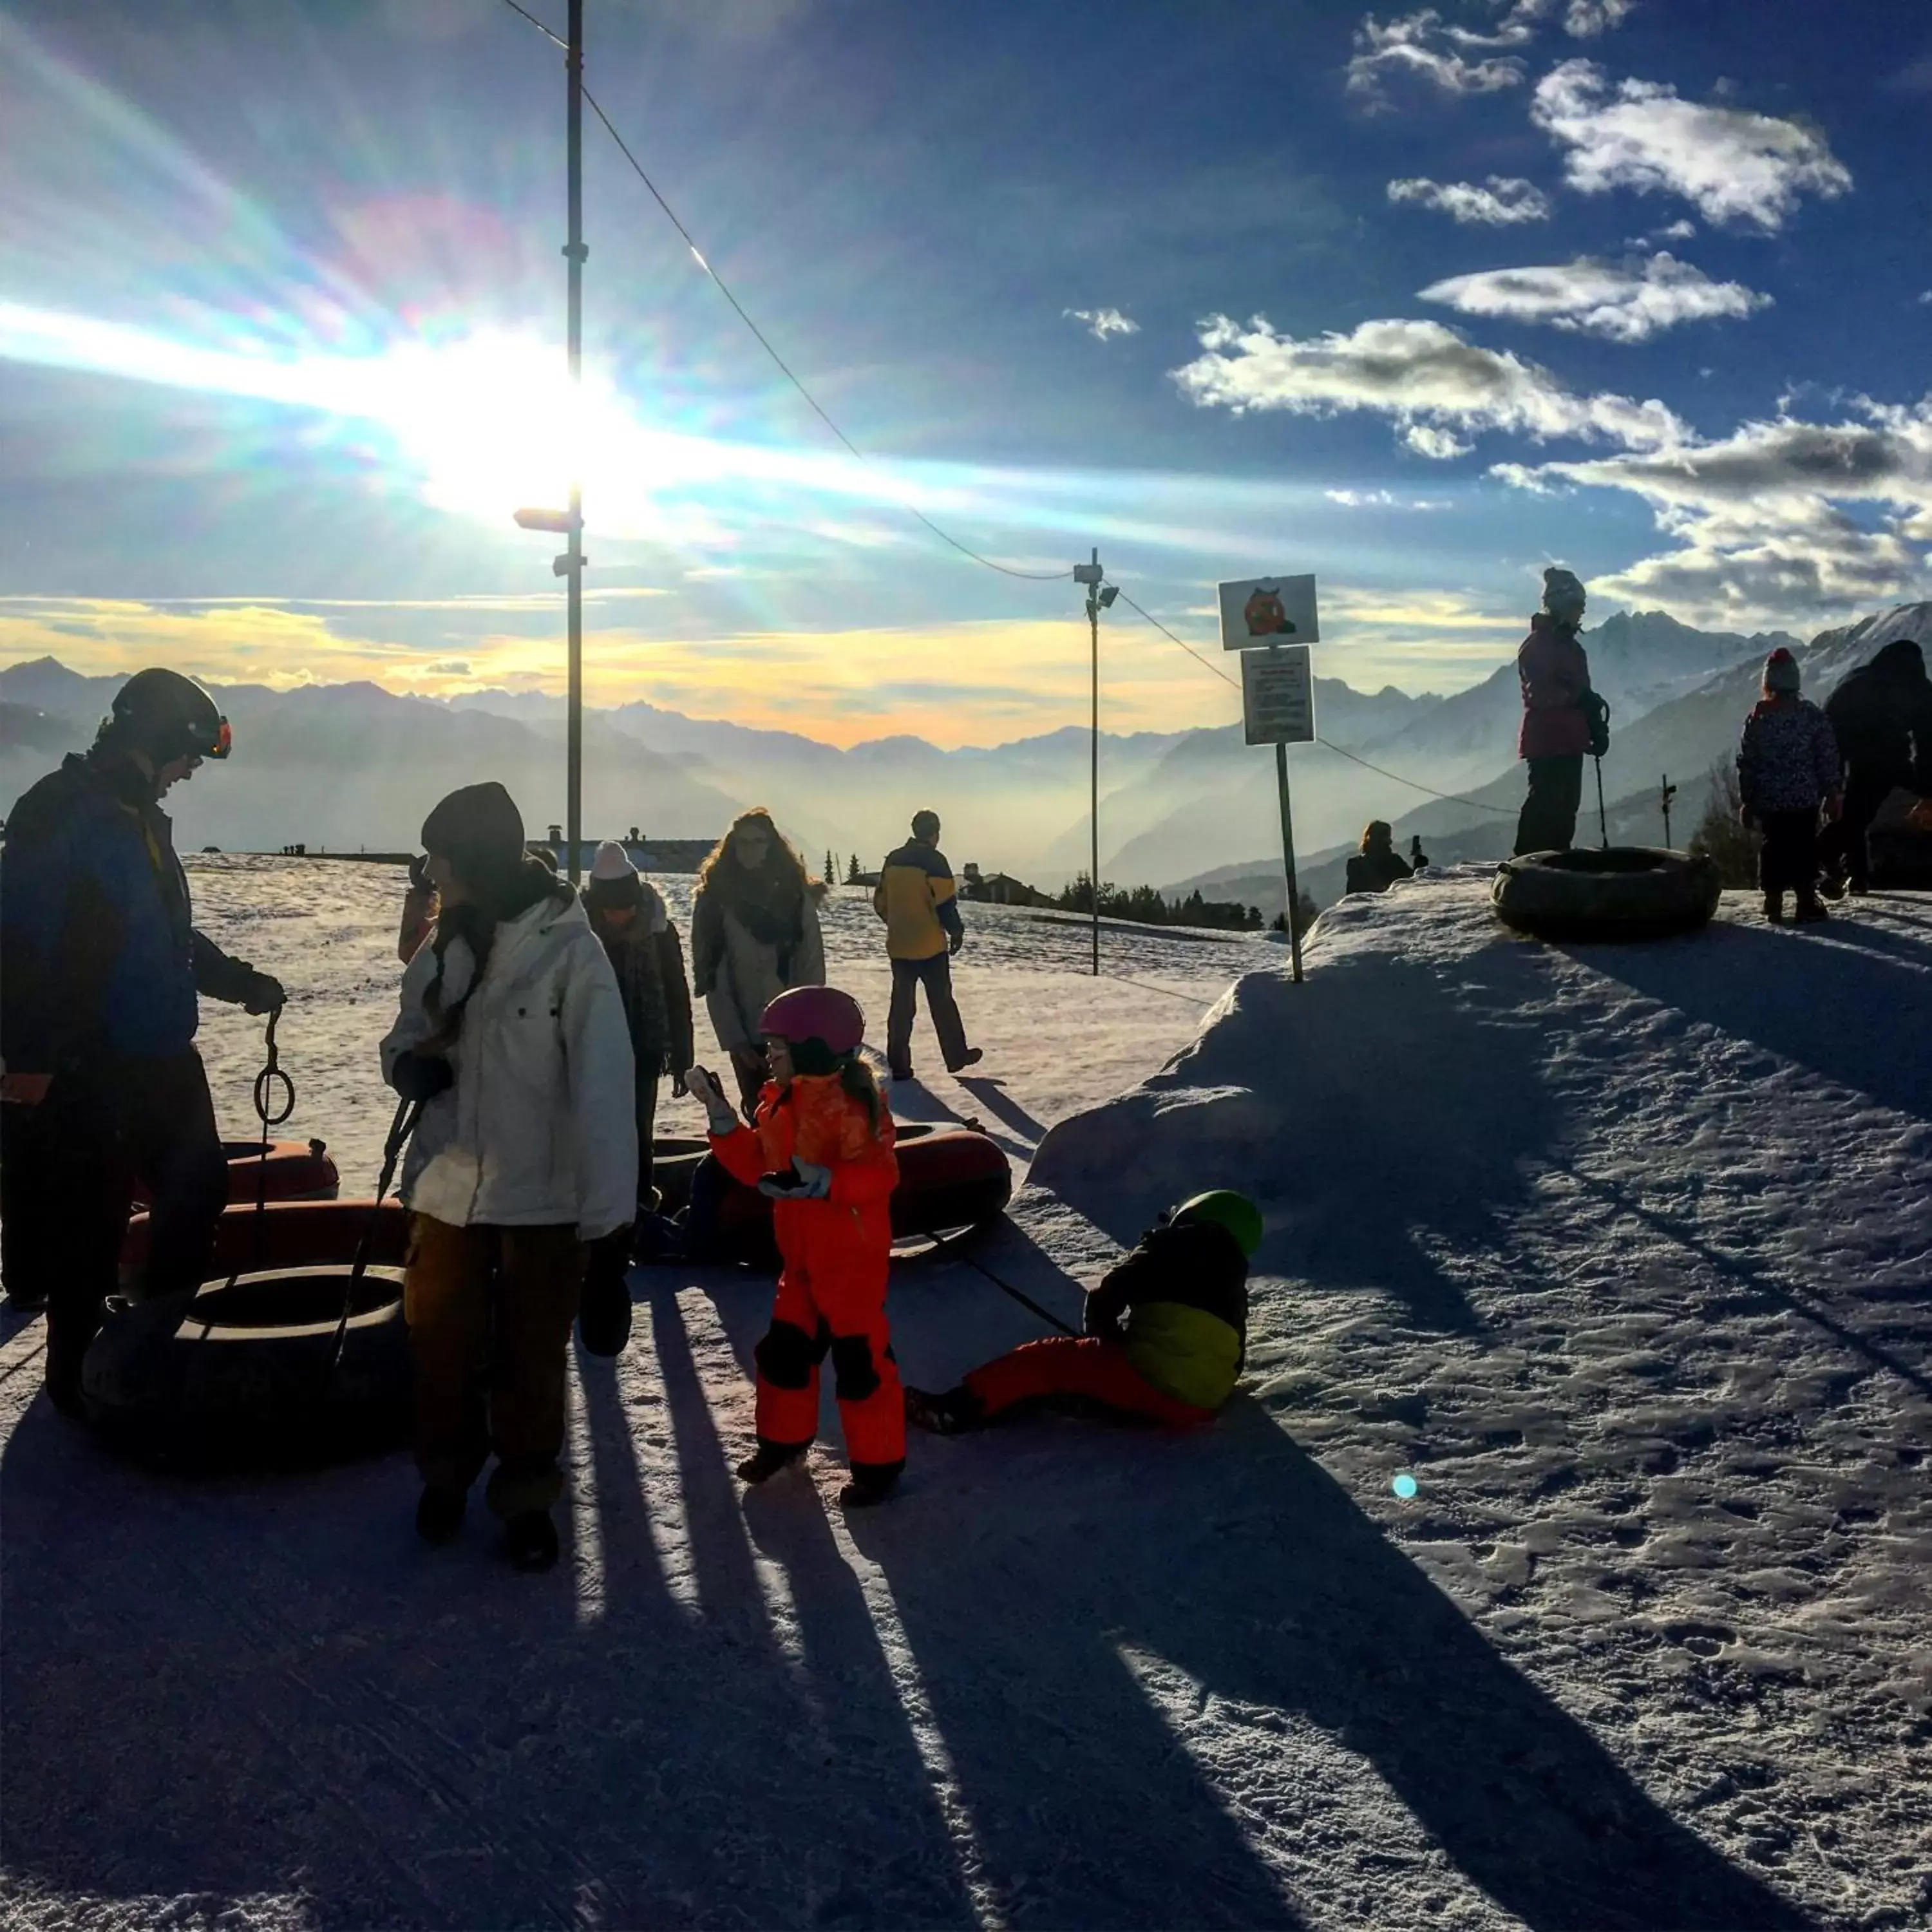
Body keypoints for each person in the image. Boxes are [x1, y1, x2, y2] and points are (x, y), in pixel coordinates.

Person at [0, 668, 284, 1412]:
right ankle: (74, 1383)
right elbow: (18, 944)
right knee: (87, 1225)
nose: (192, 772)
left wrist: (238, 981)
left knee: (197, 1191)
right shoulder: (63, 814)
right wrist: (29, 1059)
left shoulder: (137, 815)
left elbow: (161, 932)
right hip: (90, 1060)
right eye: (190, 754)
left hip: (160, 1053)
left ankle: (155, 1341)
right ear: (157, 739)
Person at [381, 782, 636, 1571]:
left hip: (543, 1197)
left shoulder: (570, 950)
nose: (431, 874)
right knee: (442, 1347)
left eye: (439, 859)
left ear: (475, 861)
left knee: (531, 1358)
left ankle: (527, 1497)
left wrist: (611, 1238)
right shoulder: (446, 940)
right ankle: (447, 1477)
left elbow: (603, 1094)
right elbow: (404, 1035)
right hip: (447, 1191)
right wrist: (406, 1070)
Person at [685, 986, 904, 1508]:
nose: (769, 1058)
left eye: (779, 1049)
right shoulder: (779, 1104)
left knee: (860, 1366)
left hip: (850, 1264)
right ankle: (782, 1444)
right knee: (783, 1355)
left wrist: (828, 1182)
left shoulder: (854, 1108)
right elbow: (759, 1167)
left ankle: (878, 1466)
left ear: (813, 1049)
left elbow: (880, 1175)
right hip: (801, 1262)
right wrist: (721, 1120)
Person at [905, 1191, 1259, 1435]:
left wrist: (1103, 1338)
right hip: (1203, 1403)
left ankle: (953, 1410)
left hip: (1155, 1383)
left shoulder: (1170, 1247)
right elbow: (1236, 1356)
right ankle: (1110, 1398)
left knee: (1045, 1360)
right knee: (1120, 1372)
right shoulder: (1232, 1283)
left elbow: (1108, 1295)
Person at [579, 840, 694, 1352]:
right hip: (592, 1053)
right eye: (610, 908)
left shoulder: (657, 929)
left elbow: (676, 991)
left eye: (623, 906)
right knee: (595, 1137)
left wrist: (682, 1055)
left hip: (644, 1049)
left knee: (637, 1136)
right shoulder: (577, 936)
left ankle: (636, 1219)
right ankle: (598, 1221)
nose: (618, 915)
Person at [690, 810, 826, 1118]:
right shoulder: (715, 900)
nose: (750, 849)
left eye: (758, 841)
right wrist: (735, 1040)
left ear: (771, 845)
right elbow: (712, 975)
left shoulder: (793, 895)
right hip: (746, 1027)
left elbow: (811, 964)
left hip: (793, 1030)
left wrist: (809, 1026)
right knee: (760, 1112)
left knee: (800, 1115)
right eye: (743, 842)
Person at [1817, 638, 1932, 897]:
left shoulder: (1856, 679)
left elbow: (1829, 726)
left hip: (1846, 746)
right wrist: (1927, 791)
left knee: (1856, 810)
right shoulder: (1917, 687)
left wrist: (1831, 786)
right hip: (1886, 753)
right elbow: (1929, 743)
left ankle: (1853, 874)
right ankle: (1819, 861)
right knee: (1861, 809)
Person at [1736, 648, 1842, 925]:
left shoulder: (1757, 718)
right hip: (1805, 797)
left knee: (1773, 845)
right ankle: (1806, 901)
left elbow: (1748, 762)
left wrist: (1748, 800)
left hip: (1769, 799)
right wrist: (1832, 792)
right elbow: (1827, 755)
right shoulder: (1810, 715)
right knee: (1804, 846)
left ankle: (1773, 899)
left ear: (1767, 682)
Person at [875, 808, 981, 1082]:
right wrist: (956, 932)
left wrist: (897, 923)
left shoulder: (893, 860)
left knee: (901, 1006)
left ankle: (899, 1065)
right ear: (935, 833)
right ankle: (956, 1057)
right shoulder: (935, 861)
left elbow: (881, 902)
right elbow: (946, 903)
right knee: (942, 1002)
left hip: (899, 945)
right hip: (931, 946)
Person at [1512, 567, 1602, 857]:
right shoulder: (1539, 646)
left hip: (1569, 740)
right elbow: (1539, 694)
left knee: (1564, 811)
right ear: (1562, 606)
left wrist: (1594, 726)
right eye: (1578, 605)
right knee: (1546, 808)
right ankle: (1527, 866)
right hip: (1548, 742)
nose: (1582, 612)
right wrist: (1582, 700)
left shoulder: (1571, 648)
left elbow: (1574, 693)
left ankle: (1554, 867)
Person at [1344, 821, 1412, 896]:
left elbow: (1351, 895)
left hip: (1363, 906)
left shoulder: (1355, 864)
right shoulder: (1394, 861)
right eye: (1388, 837)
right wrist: (1420, 862)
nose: (1390, 841)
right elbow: (1413, 881)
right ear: (1381, 838)